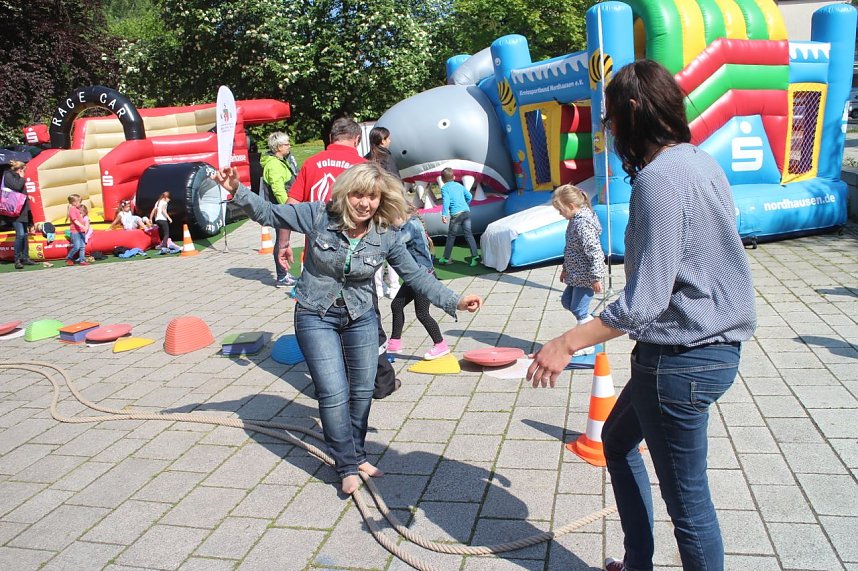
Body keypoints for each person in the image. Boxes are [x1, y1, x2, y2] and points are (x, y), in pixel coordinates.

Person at [527, 60, 756, 571]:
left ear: (631, 112)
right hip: (705, 353)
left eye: (608, 120)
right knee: (615, 439)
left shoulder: (660, 178)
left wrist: (566, 343)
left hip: (681, 362)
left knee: (689, 504)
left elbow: (646, 300)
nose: (608, 132)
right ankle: (637, 563)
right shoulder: (700, 161)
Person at [213, 162, 483, 495]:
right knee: (333, 391)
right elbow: (270, 214)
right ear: (345, 194)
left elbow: (414, 276)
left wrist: (454, 300)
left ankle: (356, 453)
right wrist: (237, 190)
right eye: (357, 194)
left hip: (360, 316)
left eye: (372, 196)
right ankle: (345, 466)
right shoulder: (318, 215)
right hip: (315, 314)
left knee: (361, 391)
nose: (364, 203)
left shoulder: (386, 234)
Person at [278, 117, 365, 274]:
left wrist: (283, 243)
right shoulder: (364, 167)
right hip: (353, 254)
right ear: (357, 139)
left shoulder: (311, 163)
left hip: (315, 255)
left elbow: (290, 208)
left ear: (331, 138)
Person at [386, 207, 450, 360]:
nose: (391, 224)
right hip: (415, 276)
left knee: (422, 313)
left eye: (391, 220)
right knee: (396, 305)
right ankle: (395, 342)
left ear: (401, 215)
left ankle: (440, 344)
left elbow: (396, 241)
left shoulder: (411, 226)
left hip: (422, 277)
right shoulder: (414, 223)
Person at [552, 184, 606, 356]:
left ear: (571, 206)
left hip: (586, 277)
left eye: (561, 210)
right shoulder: (574, 220)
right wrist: (565, 269)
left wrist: (596, 278)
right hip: (575, 274)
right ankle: (590, 324)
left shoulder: (583, 224)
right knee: (567, 301)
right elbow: (571, 249)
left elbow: (595, 251)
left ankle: (586, 342)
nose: (560, 214)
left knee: (579, 309)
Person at [365, 126, 401, 298]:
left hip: (370, 209)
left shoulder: (366, 159)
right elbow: (396, 184)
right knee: (393, 248)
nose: (390, 141)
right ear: (382, 141)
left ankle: (377, 288)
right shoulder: (387, 158)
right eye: (388, 138)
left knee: (374, 248)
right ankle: (394, 286)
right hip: (388, 209)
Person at [261, 131, 299, 288]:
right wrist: (287, 207)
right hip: (280, 208)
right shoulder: (274, 165)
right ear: (278, 147)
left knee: (283, 240)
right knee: (282, 242)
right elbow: (278, 189)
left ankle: (283, 274)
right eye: (286, 144)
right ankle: (282, 275)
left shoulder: (280, 161)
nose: (289, 146)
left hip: (281, 207)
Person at [438, 167, 480, 267]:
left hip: (456, 215)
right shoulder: (459, 185)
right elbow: (469, 196)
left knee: (451, 236)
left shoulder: (444, 188)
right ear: (454, 177)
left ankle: (446, 258)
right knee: (468, 234)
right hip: (466, 212)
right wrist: (466, 205)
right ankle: (475, 256)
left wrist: (444, 214)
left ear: (442, 179)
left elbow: (446, 201)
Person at [1, 160, 36, 269]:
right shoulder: (8, 175)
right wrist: (21, 177)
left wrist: (28, 196)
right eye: (23, 171)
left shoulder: (17, 177)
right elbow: (16, 187)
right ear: (20, 170)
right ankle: (17, 259)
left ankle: (25, 258)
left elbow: (20, 191)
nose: (24, 173)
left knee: (25, 235)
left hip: (22, 209)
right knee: (20, 234)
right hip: (14, 210)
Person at [65, 194, 89, 266]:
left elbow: (83, 219)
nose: (80, 203)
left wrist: (85, 227)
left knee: (82, 247)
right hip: (75, 231)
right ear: (74, 202)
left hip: (81, 231)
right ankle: (69, 258)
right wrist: (83, 226)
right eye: (79, 202)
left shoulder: (78, 209)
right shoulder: (72, 210)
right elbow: (75, 220)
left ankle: (82, 260)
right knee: (77, 247)